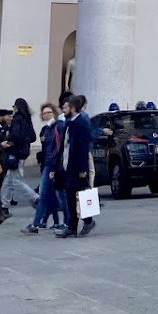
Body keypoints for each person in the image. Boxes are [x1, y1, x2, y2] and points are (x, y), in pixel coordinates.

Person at [54, 94, 96, 237]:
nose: (63, 110)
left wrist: (83, 169)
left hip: (76, 166)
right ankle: (73, 225)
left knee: (80, 195)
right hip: (67, 165)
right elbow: (64, 146)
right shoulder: (69, 122)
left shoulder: (80, 123)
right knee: (71, 195)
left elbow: (83, 148)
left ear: (72, 108)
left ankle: (87, 221)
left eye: (65, 107)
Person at [24, 103, 64, 233]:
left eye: (49, 112)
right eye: (44, 113)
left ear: (54, 113)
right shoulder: (46, 129)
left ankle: (36, 224)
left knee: (46, 195)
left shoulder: (55, 127)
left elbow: (54, 150)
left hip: (51, 166)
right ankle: (56, 222)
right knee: (50, 195)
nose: (46, 114)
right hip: (47, 165)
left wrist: (52, 168)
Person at [1, 97, 39, 208]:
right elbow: (32, 137)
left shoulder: (17, 119)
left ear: (17, 107)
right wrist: (25, 141)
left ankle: (35, 197)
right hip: (24, 151)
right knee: (9, 178)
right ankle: (4, 205)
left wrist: (8, 140)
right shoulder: (27, 119)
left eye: (13, 106)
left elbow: (15, 134)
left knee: (15, 180)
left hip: (15, 151)